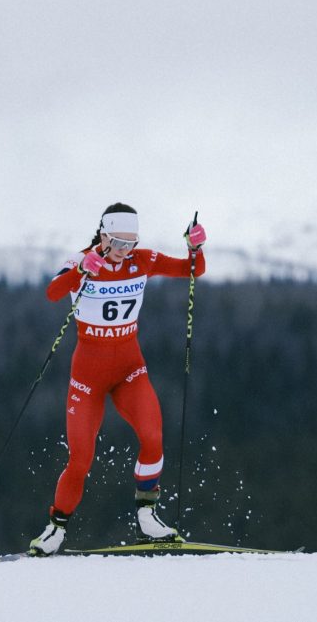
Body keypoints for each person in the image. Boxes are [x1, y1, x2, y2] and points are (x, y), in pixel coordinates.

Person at [30, 202, 207, 556]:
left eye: (131, 243)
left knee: (153, 435)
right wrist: (81, 269)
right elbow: (52, 292)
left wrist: (196, 247)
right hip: (88, 376)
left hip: (129, 368)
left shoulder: (142, 260)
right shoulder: (81, 259)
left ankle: (147, 513)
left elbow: (193, 270)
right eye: (118, 243)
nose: (125, 252)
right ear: (104, 235)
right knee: (80, 459)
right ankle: (56, 528)